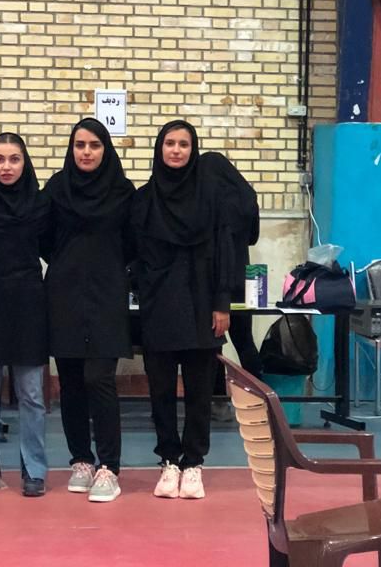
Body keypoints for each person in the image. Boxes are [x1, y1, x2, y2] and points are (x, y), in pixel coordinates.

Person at [131, 120, 234, 500]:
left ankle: (193, 464)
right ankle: (169, 461)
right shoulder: (144, 199)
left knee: (199, 392)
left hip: (202, 306)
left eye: (184, 144)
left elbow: (225, 253)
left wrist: (222, 303)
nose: (176, 150)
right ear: (159, 149)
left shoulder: (212, 198)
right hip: (159, 307)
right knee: (160, 391)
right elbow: (132, 253)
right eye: (170, 143)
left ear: (193, 150)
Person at [43, 118, 135, 503]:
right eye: (79, 145)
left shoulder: (123, 192)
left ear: (105, 150)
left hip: (106, 295)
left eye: (94, 145)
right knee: (71, 382)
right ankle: (81, 460)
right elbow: (44, 240)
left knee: (99, 379)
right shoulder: (56, 189)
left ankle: (109, 466)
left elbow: (132, 243)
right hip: (63, 294)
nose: (86, 152)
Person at [0, 133, 50, 497]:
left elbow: (53, 248)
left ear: (24, 162)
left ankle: (34, 469)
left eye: (14, 159)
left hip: (29, 302)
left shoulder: (41, 203)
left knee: (31, 393)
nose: (6, 167)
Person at [203, 152, 261, 421]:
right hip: (244, 277)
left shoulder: (210, 201)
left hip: (216, 280)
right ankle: (261, 397)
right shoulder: (247, 197)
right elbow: (252, 238)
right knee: (245, 341)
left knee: (214, 346)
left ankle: (218, 403)